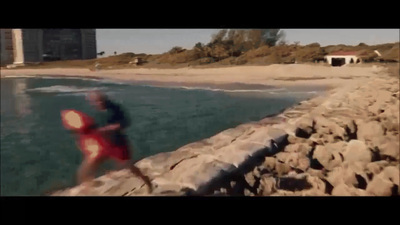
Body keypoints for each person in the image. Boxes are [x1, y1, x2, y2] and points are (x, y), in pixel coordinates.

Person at [77, 90, 152, 193]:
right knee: (90, 162)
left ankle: (146, 180)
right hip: (103, 143)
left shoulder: (115, 109)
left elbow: (126, 122)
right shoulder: (95, 112)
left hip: (117, 142)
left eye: (99, 101)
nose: (97, 104)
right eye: (94, 102)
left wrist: (111, 128)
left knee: (128, 166)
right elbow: (91, 127)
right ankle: (87, 183)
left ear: (105, 100)